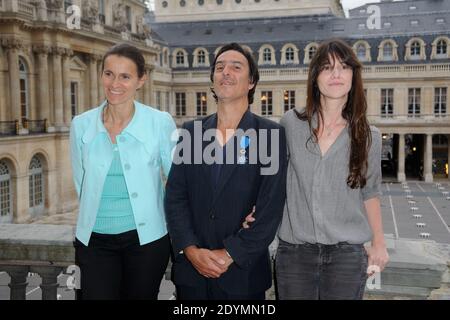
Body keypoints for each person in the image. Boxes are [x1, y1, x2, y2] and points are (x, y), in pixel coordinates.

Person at [245, 39, 389, 300]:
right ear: (315, 77)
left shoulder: (368, 136)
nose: (336, 74)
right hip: (296, 253)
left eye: (344, 67)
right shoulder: (291, 123)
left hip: (347, 255)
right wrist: (254, 207)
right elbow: (272, 177)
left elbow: (370, 193)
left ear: (353, 76)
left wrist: (379, 243)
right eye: (326, 67)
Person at [164, 43, 287, 300]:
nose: (226, 72)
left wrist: (229, 254)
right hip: (191, 274)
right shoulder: (191, 132)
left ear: (251, 82)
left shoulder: (270, 135)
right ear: (212, 79)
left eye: (236, 66)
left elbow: (270, 209)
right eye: (219, 67)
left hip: (243, 275)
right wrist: (190, 250)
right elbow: (175, 197)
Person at [70, 43, 177, 300]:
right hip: (94, 241)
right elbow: (80, 182)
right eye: (109, 74)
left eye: (125, 76)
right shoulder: (80, 124)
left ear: (141, 80)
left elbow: (177, 181)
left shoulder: (160, 122)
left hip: (147, 241)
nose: (114, 83)